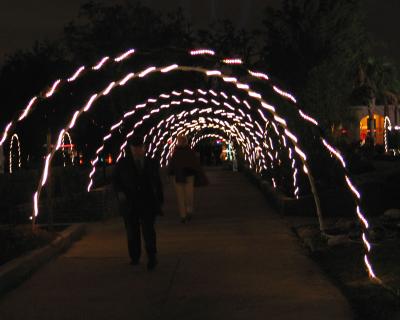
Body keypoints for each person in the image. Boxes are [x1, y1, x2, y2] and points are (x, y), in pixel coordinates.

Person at [113, 135, 163, 270]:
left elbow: (157, 183)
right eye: (135, 148)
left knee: (148, 231)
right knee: (132, 231)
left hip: (147, 202)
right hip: (130, 202)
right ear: (131, 149)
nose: (138, 150)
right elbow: (116, 181)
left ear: (144, 148)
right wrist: (120, 193)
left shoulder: (151, 163)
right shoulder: (123, 164)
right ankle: (134, 256)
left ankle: (151, 256)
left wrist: (159, 200)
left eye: (140, 147)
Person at [168, 134, 208, 223]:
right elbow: (174, 164)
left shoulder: (186, 151)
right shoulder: (179, 151)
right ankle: (184, 214)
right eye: (180, 140)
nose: (181, 142)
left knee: (187, 195)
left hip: (186, 176)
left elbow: (193, 163)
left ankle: (188, 211)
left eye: (182, 140)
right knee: (183, 196)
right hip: (181, 176)